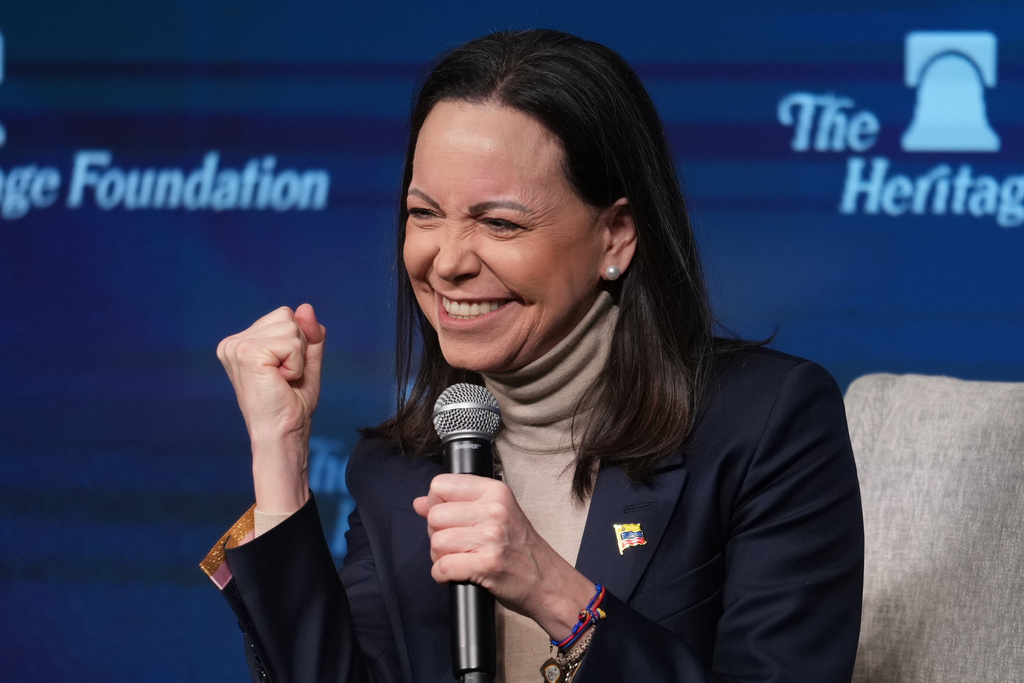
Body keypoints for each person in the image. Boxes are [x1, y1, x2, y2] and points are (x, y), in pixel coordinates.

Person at [201, 29, 864, 683]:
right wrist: (280, 453)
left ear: (616, 236)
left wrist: (552, 589)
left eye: (500, 223)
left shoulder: (764, 422)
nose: (448, 261)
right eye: (425, 214)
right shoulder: (400, 468)